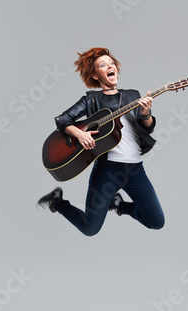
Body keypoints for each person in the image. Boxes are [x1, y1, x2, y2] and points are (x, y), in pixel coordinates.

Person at [37, 47, 165, 236]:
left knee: (156, 222)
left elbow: (147, 127)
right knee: (90, 229)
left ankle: (119, 206)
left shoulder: (132, 96)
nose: (110, 66)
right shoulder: (91, 100)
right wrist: (80, 134)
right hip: (107, 170)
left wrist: (146, 114)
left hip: (135, 169)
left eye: (112, 63)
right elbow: (62, 119)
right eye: (103, 65)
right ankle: (57, 202)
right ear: (96, 75)